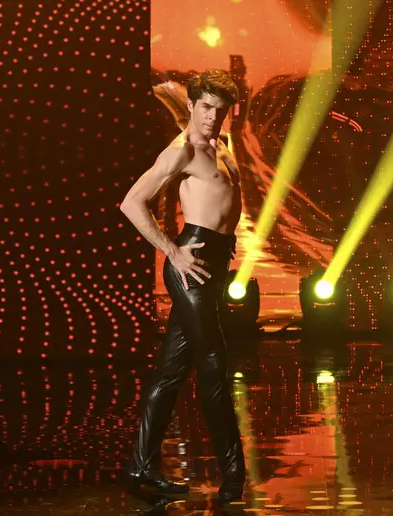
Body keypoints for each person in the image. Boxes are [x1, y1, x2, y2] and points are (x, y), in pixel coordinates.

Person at [119, 70, 246, 502]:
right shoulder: (182, 151)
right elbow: (132, 203)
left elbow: (223, 205)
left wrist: (226, 241)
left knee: (171, 372)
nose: (212, 116)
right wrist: (172, 251)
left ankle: (140, 467)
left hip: (212, 263)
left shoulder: (222, 146)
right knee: (213, 365)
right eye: (205, 107)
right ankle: (234, 475)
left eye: (220, 110)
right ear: (190, 105)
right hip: (191, 267)